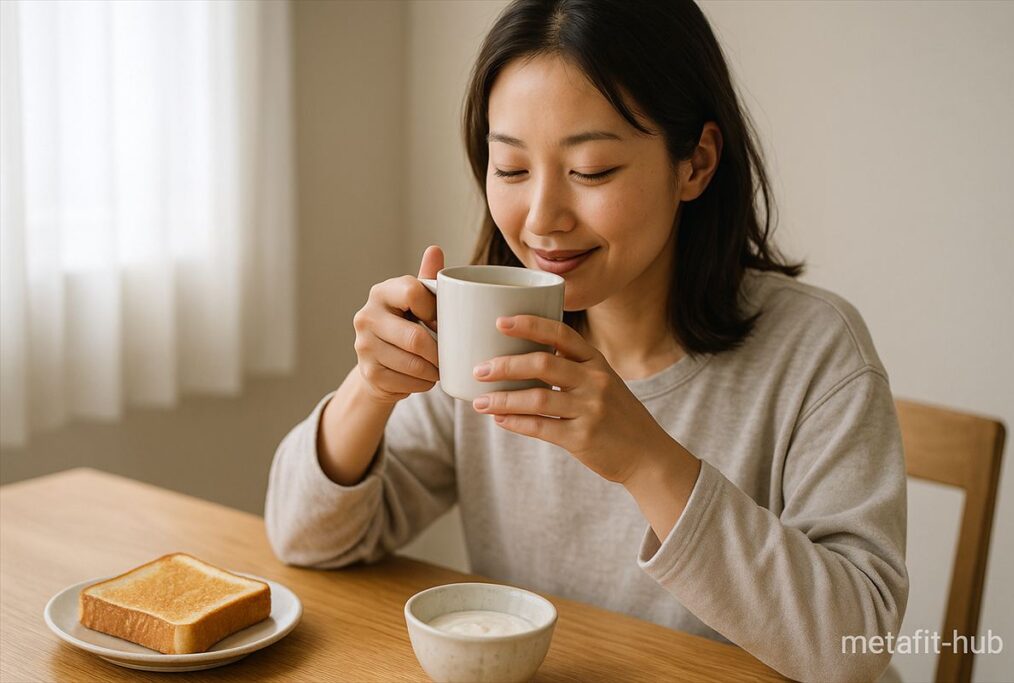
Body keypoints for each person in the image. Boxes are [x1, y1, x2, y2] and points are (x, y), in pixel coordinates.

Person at [265, 1, 908, 681]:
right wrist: (370, 388)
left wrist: (645, 460)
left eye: (592, 170)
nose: (541, 218)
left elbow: (854, 644)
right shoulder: (491, 329)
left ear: (696, 163)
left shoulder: (815, 350)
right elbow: (303, 538)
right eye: (510, 169)